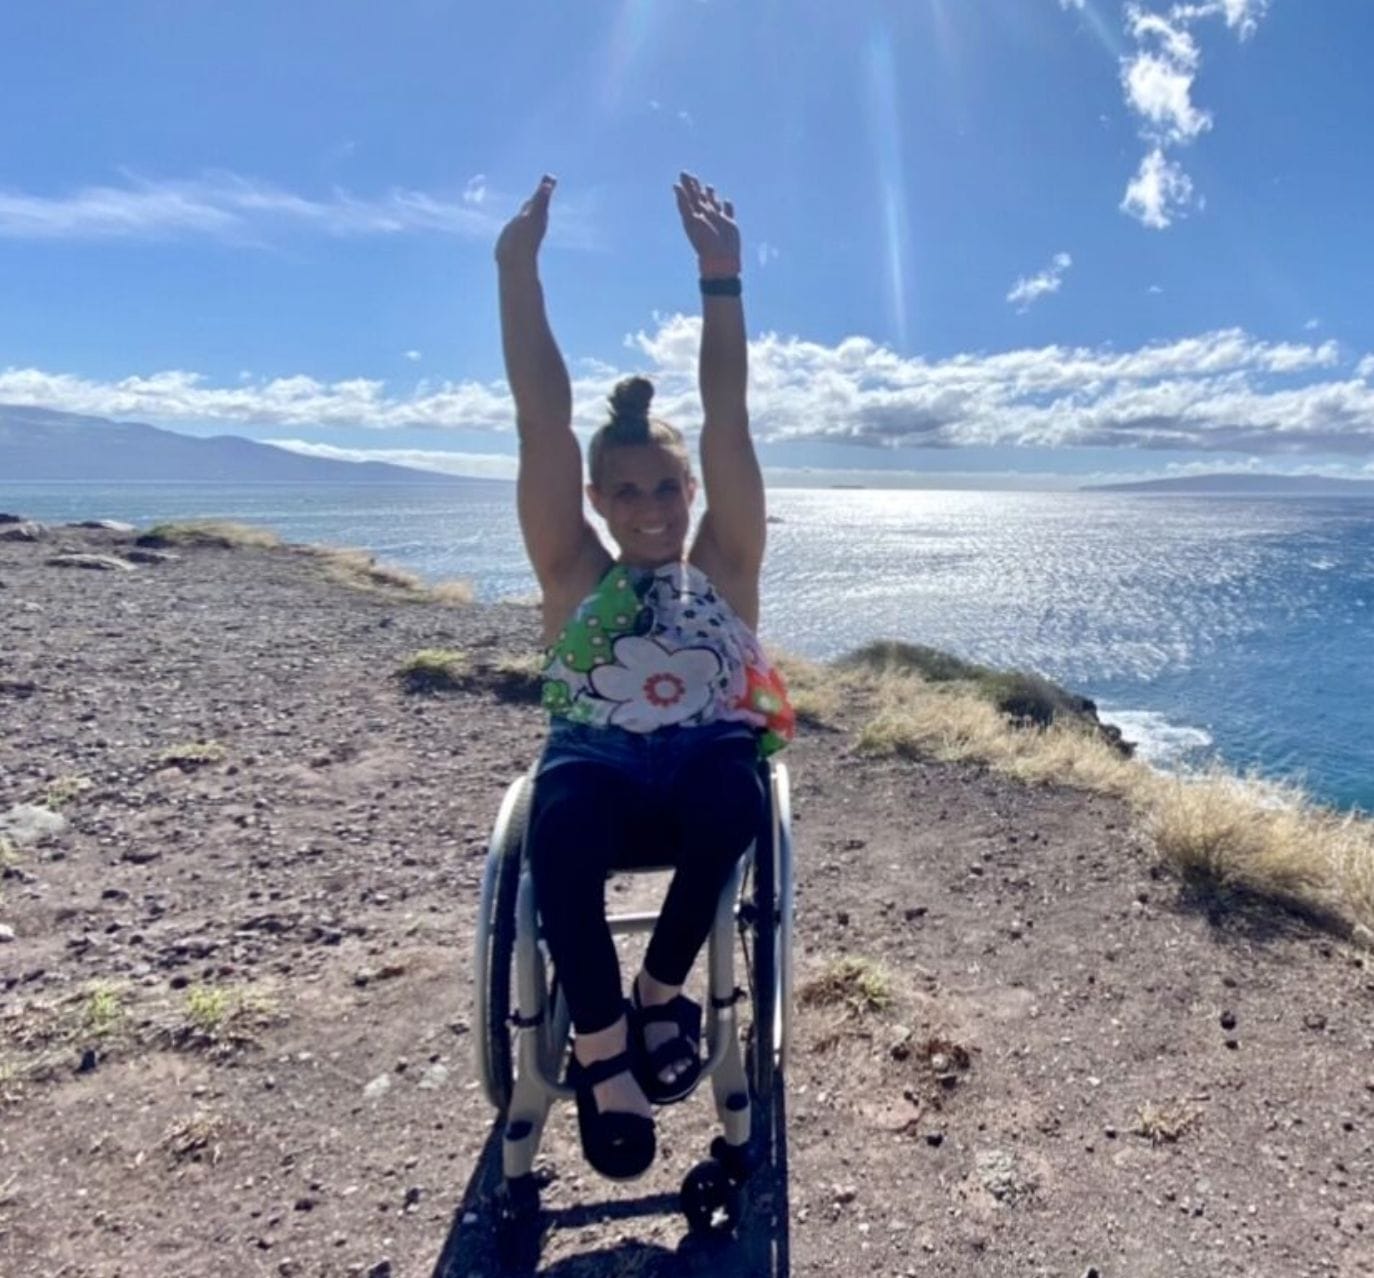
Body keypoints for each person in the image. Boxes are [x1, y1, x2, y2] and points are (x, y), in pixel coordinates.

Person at [495, 171, 794, 1181]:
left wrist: (722, 280)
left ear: (690, 489)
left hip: (698, 780)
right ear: (600, 499)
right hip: (598, 782)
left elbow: (730, 418)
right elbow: (541, 423)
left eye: (667, 487)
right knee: (560, 819)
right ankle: (603, 1052)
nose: (653, 507)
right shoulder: (572, 570)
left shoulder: (725, 564)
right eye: (628, 492)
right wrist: (515, 274)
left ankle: (661, 989)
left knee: (735, 788)